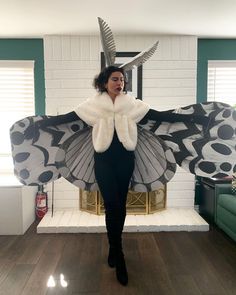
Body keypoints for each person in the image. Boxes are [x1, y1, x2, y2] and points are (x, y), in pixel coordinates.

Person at [23, 65, 212, 286]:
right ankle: (118, 254)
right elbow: (65, 119)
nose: (119, 83)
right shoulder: (93, 106)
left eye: (122, 80)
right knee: (111, 204)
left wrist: (195, 119)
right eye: (115, 79)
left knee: (119, 205)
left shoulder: (132, 105)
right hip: (102, 161)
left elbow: (162, 116)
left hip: (125, 160)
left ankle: (115, 248)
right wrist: (38, 125)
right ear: (104, 82)